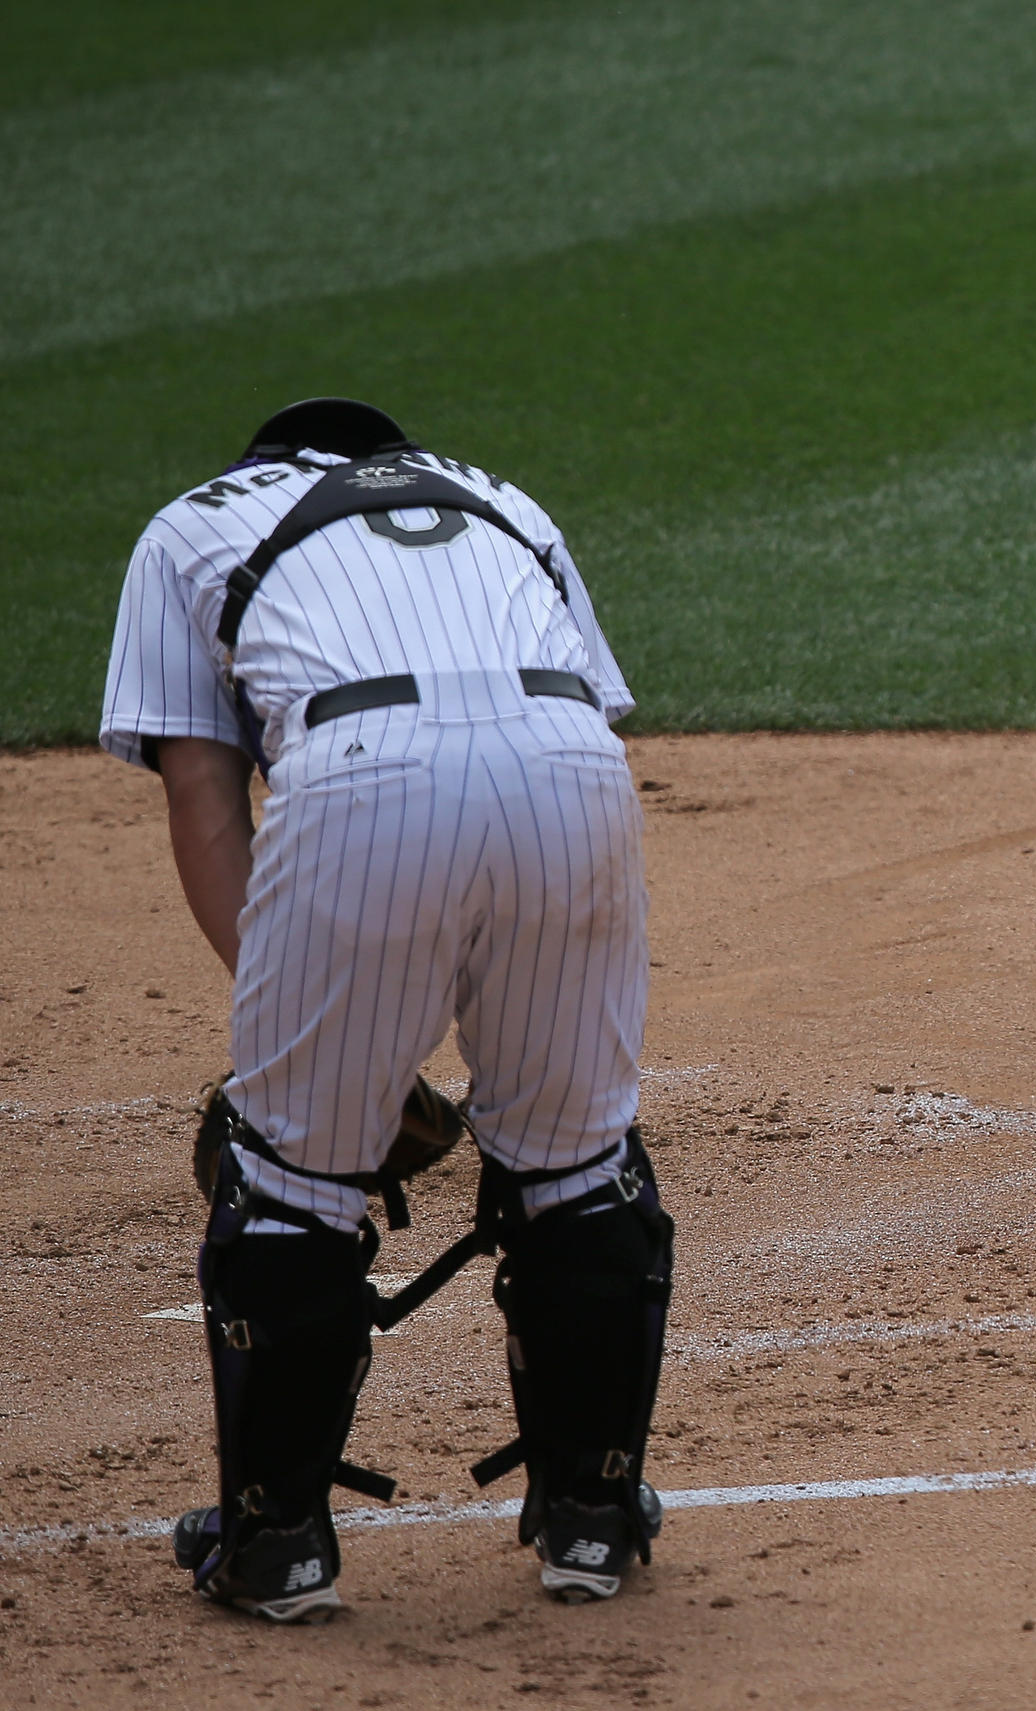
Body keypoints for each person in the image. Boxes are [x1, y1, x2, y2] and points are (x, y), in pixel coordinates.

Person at [99, 398, 673, 1619]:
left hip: (364, 780)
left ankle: (279, 1545)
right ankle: (593, 1516)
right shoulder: (500, 497)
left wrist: (308, 1031)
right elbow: (562, 711)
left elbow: (207, 798)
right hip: (575, 774)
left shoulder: (190, 525)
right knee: (577, 1160)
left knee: (293, 1173)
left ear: (260, 462)